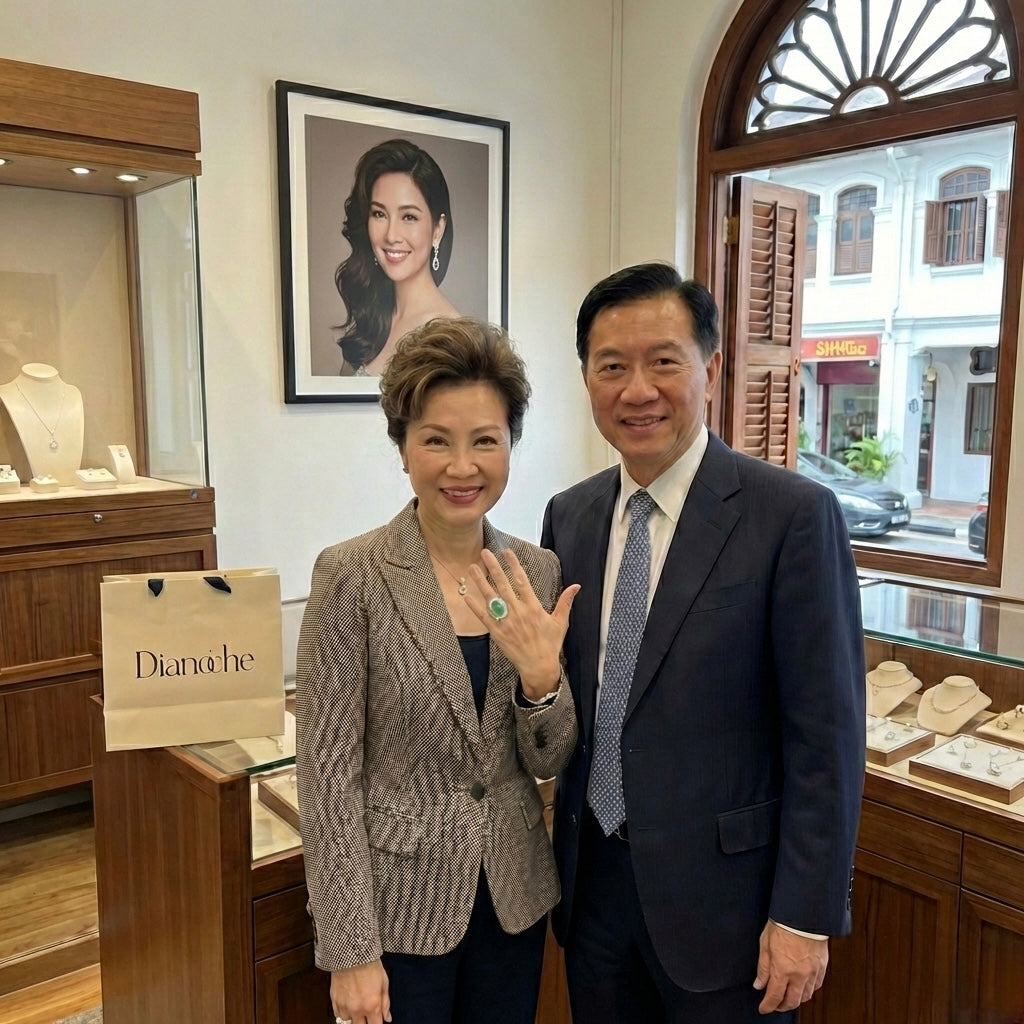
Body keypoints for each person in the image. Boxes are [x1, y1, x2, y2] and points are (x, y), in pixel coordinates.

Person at [542, 262, 865, 1024]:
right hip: (594, 895)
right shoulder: (569, 516)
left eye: (664, 361)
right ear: (586, 379)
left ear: (711, 371)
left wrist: (804, 916)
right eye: (611, 367)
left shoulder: (791, 516)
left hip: (732, 913)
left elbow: (827, 739)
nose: (637, 390)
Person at [295, 317, 580, 1024]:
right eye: (436, 440)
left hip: (512, 900)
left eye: (485, 440)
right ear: (402, 448)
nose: (462, 467)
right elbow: (327, 778)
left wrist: (542, 685)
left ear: (510, 443)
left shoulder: (535, 572)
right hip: (397, 913)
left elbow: (549, 759)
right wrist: (349, 950)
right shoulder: (353, 576)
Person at [335, 138, 459, 376]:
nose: (391, 236)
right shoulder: (371, 322)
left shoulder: (451, 340)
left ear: (438, 229)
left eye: (409, 217)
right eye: (379, 214)